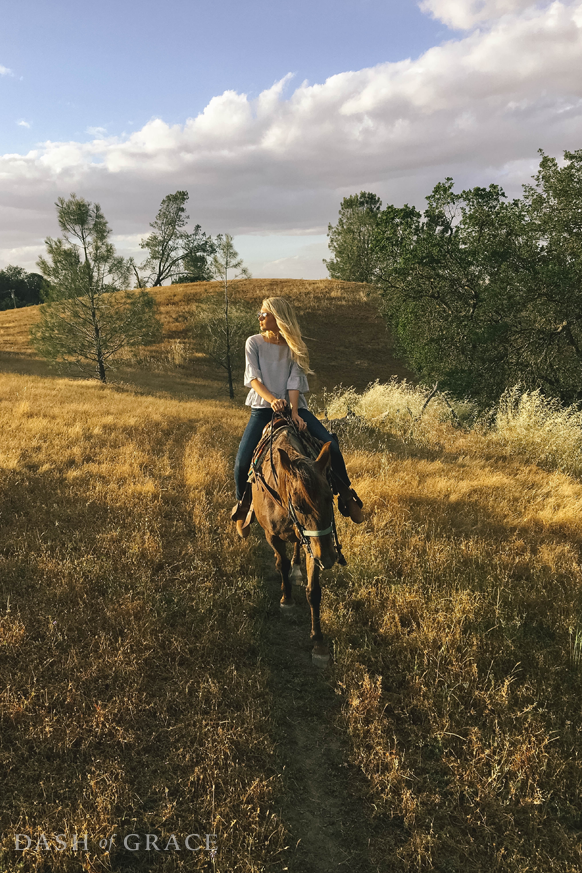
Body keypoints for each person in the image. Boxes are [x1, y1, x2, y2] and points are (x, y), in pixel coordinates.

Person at [231, 296, 364, 538]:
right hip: (263, 408)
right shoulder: (254, 343)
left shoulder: (294, 347)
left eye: (264, 314)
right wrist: (273, 401)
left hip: (294, 407)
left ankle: (346, 495)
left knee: (330, 445)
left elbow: (294, 381)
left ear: (277, 318)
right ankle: (243, 506)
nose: (259, 318)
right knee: (242, 462)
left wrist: (293, 412)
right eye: (260, 314)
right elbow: (254, 379)